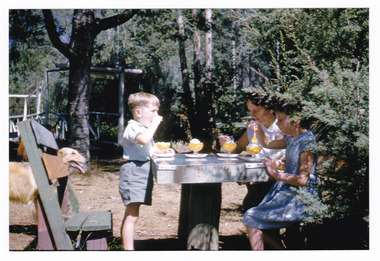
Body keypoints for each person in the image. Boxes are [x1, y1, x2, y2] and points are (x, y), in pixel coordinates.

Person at [243, 100, 319, 250]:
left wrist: (275, 173)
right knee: (251, 215)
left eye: (281, 120)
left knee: (251, 217)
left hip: (299, 197)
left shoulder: (307, 143)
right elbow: (268, 143)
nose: (277, 124)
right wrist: (258, 129)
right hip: (286, 192)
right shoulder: (291, 138)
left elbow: (302, 180)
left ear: (296, 121)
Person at [119, 92, 173, 250]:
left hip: (141, 172)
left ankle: (127, 248)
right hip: (133, 172)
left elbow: (148, 149)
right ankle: (128, 250)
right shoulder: (133, 127)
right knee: (132, 214)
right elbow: (143, 139)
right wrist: (156, 124)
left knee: (133, 213)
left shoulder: (141, 127)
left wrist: (162, 152)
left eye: (157, 111)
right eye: (153, 111)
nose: (157, 115)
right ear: (138, 112)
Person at [218, 92, 285, 210]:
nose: (252, 115)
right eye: (250, 110)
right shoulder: (252, 128)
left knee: (252, 205)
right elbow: (236, 149)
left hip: (280, 184)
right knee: (251, 204)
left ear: (270, 110)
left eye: (256, 110)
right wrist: (227, 144)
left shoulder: (283, 128)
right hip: (257, 184)